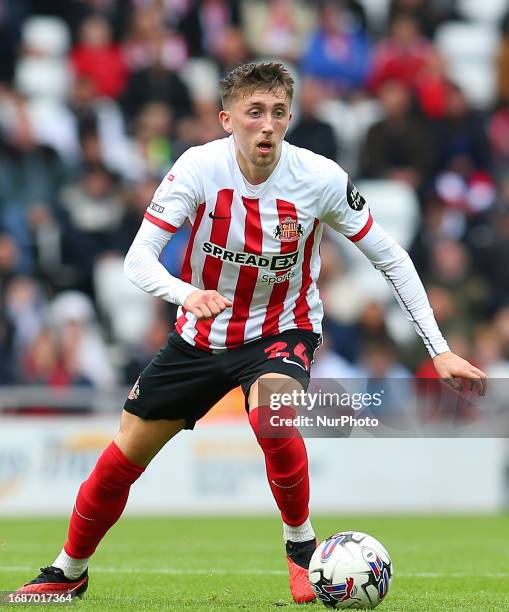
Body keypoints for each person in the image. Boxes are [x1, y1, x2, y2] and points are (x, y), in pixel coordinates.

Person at [15, 62, 487, 604]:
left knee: (273, 419)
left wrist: (441, 350)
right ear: (227, 120)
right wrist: (185, 295)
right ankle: (68, 571)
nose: (267, 125)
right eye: (254, 113)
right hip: (201, 334)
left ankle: (302, 549)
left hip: (282, 328)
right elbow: (137, 260)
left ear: (290, 119)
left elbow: (393, 259)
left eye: (278, 114)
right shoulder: (198, 168)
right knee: (124, 455)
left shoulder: (319, 179)